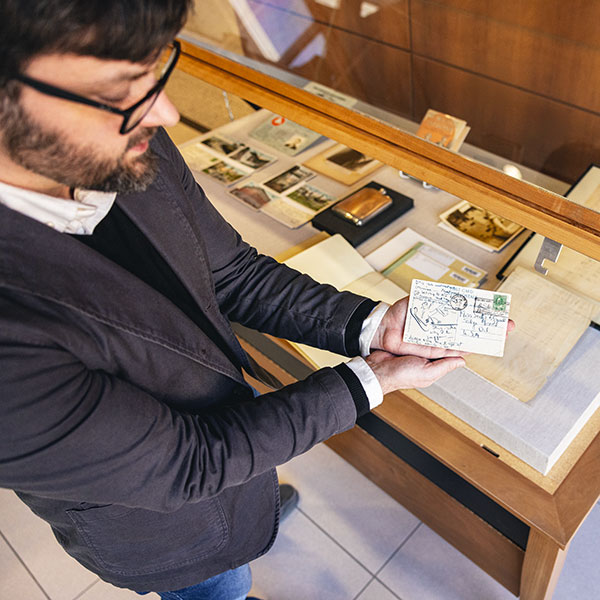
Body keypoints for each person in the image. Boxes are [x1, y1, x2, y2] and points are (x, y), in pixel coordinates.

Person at [0, 1, 467, 599]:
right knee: (220, 585)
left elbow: (231, 271)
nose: (163, 111)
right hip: (163, 528)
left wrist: (374, 326)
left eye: (154, 69)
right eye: (120, 87)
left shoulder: (124, 137)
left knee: (247, 501)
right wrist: (370, 381)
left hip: (225, 457)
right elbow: (191, 464)